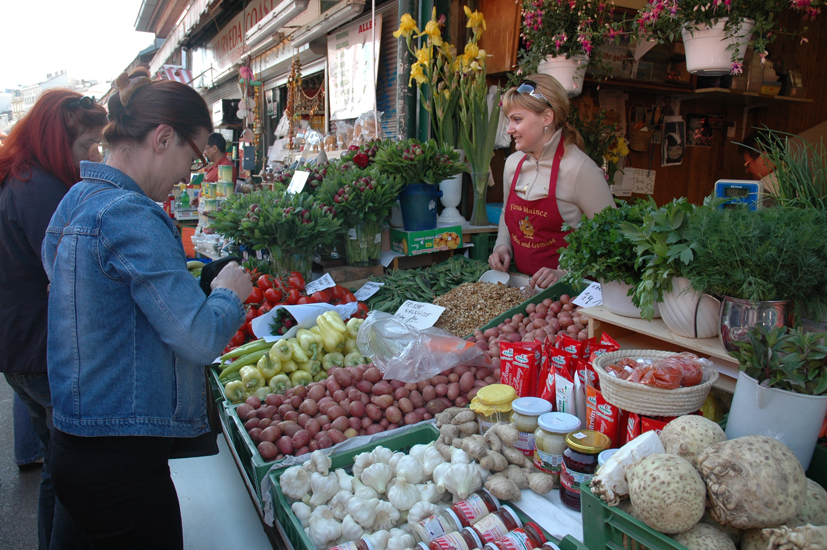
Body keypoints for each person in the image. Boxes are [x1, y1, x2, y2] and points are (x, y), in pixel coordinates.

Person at [42, 69, 252, 550]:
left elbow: (83, 286)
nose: (188, 175)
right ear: (163, 137)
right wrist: (228, 293)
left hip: (74, 441)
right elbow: (200, 340)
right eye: (194, 156)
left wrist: (188, 283)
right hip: (123, 460)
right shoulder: (132, 214)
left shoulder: (78, 199)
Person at [0, 88, 106, 550]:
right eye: (86, 146)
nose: (94, 155)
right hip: (39, 348)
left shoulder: (20, 177)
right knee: (70, 472)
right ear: (55, 140)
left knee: (56, 464)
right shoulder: (39, 187)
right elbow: (67, 269)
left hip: (20, 347)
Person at [488, 74, 615, 290]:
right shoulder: (512, 165)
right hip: (524, 290)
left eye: (517, 119)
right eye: (509, 120)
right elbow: (505, 214)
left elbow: (612, 238)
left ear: (547, 118)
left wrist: (566, 273)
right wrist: (502, 246)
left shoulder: (580, 169)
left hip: (570, 298)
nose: (509, 129)